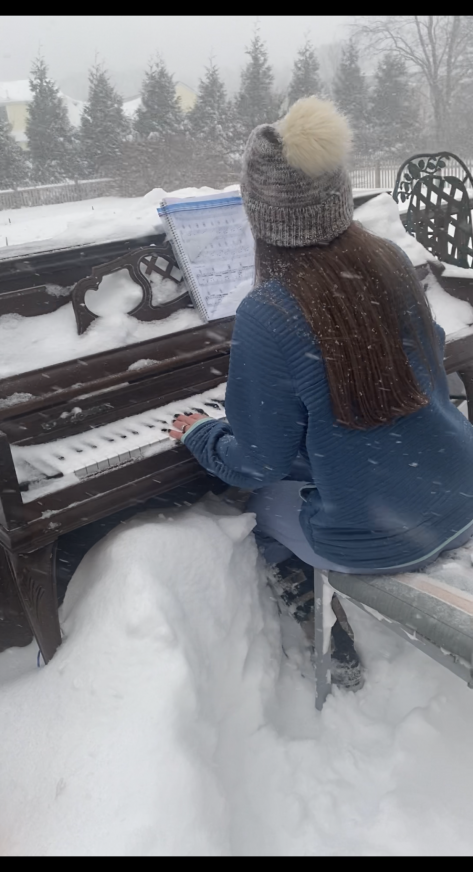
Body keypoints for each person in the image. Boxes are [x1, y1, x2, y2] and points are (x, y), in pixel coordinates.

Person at [170, 96, 473, 690]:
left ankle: (330, 645)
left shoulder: (270, 310)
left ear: (264, 219)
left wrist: (202, 434)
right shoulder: (386, 259)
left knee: (254, 512)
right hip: (460, 492)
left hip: (383, 539)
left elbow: (257, 463)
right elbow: (422, 358)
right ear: (337, 199)